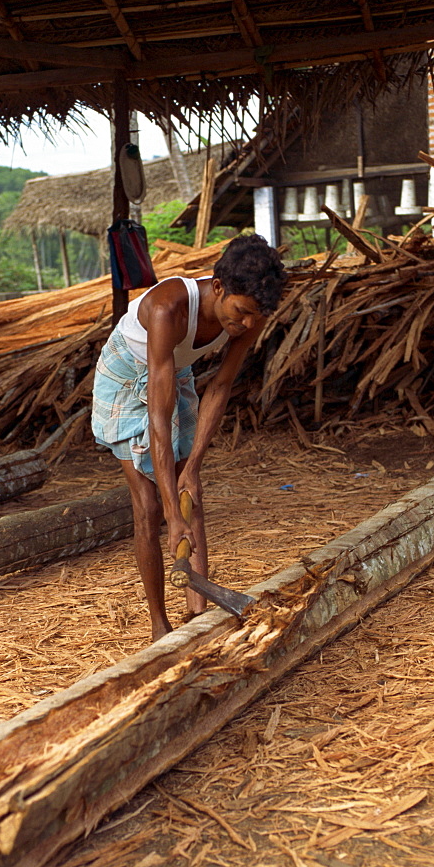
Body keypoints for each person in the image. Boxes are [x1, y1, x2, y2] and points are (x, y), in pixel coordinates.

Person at [92, 233, 286, 640]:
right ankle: (159, 625)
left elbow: (219, 386)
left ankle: (198, 614)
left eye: (256, 316)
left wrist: (193, 466)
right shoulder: (169, 308)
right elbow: (158, 419)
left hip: (172, 372)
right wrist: (170, 515)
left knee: (188, 490)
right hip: (126, 378)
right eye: (242, 312)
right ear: (218, 288)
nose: (247, 324)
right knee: (149, 505)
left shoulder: (252, 311)